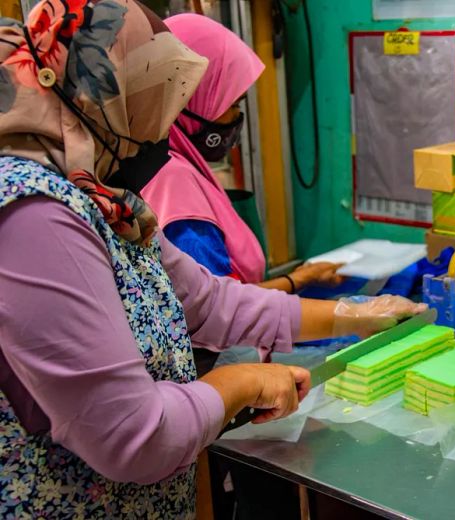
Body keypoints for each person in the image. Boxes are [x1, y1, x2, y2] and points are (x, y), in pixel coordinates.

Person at [0, 1, 425, 517]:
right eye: (151, 100)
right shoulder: (33, 216)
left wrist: (352, 317)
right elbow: (131, 436)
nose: (159, 129)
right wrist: (238, 383)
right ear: (98, 91)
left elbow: (208, 301)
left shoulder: (100, 198)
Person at [141, 13, 340, 295]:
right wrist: (301, 280)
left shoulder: (166, 164)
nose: (236, 117)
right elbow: (217, 308)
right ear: (186, 95)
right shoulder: (173, 182)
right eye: (231, 104)